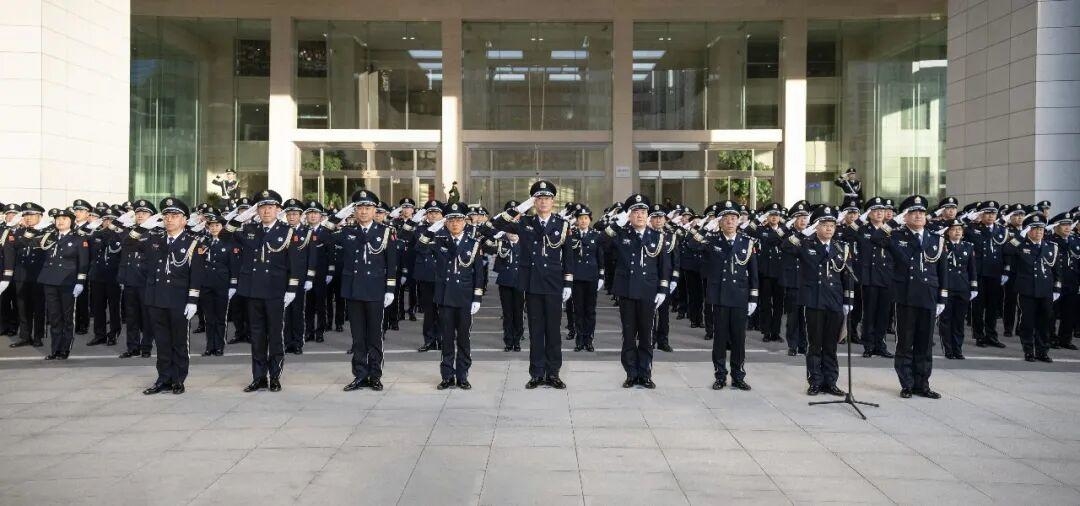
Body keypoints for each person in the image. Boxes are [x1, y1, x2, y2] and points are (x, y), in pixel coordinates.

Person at [491, 180, 573, 389]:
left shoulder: (562, 224)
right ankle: (536, 373)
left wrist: (568, 283)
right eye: (539, 198)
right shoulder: (525, 222)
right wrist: (520, 208)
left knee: (553, 331)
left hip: (553, 284)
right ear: (534, 202)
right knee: (536, 331)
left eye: (547, 198)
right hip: (533, 283)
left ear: (553, 201)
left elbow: (568, 256)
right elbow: (495, 225)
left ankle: (553, 373)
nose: (543, 202)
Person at [224, 190, 305, 393]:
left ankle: (275, 376)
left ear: (278, 210)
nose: (266, 211)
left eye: (270, 207)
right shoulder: (249, 229)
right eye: (262, 207)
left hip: (275, 291)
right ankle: (259, 377)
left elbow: (295, 264)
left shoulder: (288, 231)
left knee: (275, 335)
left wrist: (292, 288)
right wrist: (243, 216)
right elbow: (226, 233)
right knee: (257, 336)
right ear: (256, 210)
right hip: (253, 291)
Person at [873, 195, 947, 399]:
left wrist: (942, 297)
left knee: (925, 344)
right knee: (905, 342)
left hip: (928, 296)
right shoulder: (897, 236)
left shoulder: (936, 238)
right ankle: (907, 383)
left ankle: (922, 384)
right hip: (906, 296)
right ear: (905, 217)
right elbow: (876, 238)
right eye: (913, 213)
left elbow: (942, 271)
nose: (918, 216)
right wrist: (892, 222)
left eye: (921, 212)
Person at [324, 191, 398, 392]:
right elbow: (322, 234)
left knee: (374, 336)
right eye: (359, 208)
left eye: (367, 208)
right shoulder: (347, 231)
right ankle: (359, 374)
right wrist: (339, 215)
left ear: (375, 211)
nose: (363, 212)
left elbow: (392, 264)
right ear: (354, 211)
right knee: (357, 337)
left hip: (375, 290)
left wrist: (390, 289)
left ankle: (375, 375)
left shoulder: (386, 232)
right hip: (354, 289)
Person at [133, 198, 205, 394]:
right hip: (157, 299)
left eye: (174, 216)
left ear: (184, 220)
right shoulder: (154, 241)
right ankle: (163, 378)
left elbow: (196, 275)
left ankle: (178, 379)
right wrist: (144, 226)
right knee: (162, 342)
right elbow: (130, 245)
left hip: (179, 301)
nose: (169, 219)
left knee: (179, 342)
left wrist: (192, 300)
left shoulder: (193, 243)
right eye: (166, 216)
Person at [604, 194, 670, 388]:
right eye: (635, 212)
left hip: (649, 292)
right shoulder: (621, 235)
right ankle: (631, 373)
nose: (640, 215)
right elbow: (601, 242)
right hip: (627, 291)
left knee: (647, 335)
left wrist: (663, 289)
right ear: (629, 215)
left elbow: (664, 266)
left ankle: (645, 373)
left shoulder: (657, 237)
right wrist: (618, 222)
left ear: (648, 215)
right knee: (629, 334)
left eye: (643, 211)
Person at [689, 200, 756, 391]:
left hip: (739, 296)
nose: (730, 221)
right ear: (719, 221)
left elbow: (754, 272)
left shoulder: (747, 242)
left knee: (738, 340)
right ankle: (720, 376)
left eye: (733, 218)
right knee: (719, 339)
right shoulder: (712, 240)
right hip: (719, 296)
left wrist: (753, 297)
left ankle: (738, 376)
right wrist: (705, 227)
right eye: (726, 218)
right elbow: (692, 245)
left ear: (738, 221)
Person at [416, 202, 483, 389]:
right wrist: (432, 229)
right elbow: (420, 248)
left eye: (458, 220)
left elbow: (479, 273)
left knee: (463, 339)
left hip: (464, 297)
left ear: (465, 222)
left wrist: (477, 297)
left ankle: (462, 375)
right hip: (445, 297)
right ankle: (447, 375)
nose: (455, 223)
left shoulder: (473, 243)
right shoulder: (439, 241)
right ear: (446, 222)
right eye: (451, 220)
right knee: (446, 338)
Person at [787, 205, 852, 396]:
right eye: (824, 225)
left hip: (834, 300)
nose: (829, 228)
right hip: (814, 300)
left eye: (832, 225)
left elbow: (847, 276)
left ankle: (830, 382)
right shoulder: (807, 244)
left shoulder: (841, 247)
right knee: (815, 344)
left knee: (831, 345)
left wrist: (848, 301)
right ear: (816, 227)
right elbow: (786, 246)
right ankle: (815, 381)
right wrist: (805, 232)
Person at [24, 208, 89, 360]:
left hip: (68, 282)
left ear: (71, 221)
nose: (60, 221)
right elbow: (26, 243)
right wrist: (30, 230)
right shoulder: (49, 237)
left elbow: (83, 263)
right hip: (50, 281)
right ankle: (55, 349)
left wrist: (80, 282)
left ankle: (64, 349)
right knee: (54, 317)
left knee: (67, 317)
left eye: (64, 219)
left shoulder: (79, 239)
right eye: (58, 219)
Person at [1003, 215, 1062, 362]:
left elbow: (1057, 270)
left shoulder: (1051, 246)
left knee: (1045, 321)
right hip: (1027, 289)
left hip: (1046, 290)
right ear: (1028, 230)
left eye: (1041, 229)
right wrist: (1020, 235)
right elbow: (1007, 250)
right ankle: (1029, 350)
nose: (1038, 232)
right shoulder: (1021, 245)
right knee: (1028, 322)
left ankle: (1042, 351)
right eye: (1035, 229)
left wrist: (1057, 288)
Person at [115, 200, 160, 358]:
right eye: (138, 213)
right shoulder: (130, 231)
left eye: (144, 213)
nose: (140, 215)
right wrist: (122, 277)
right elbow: (124, 252)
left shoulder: (156, 232)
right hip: (130, 280)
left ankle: (146, 346)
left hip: (146, 281)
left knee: (147, 316)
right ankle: (132, 347)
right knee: (131, 316)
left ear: (152, 216)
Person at [965, 201, 1008, 348]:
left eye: (993, 213)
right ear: (981, 214)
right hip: (979, 272)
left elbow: (1005, 252)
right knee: (978, 306)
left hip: (995, 272)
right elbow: (959, 229)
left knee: (993, 306)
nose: (990, 216)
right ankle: (979, 336)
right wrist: (970, 219)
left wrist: (1005, 270)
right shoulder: (973, 229)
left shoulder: (1002, 230)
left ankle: (991, 335)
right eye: (987, 213)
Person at [856, 197, 895, 359]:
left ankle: (880, 344)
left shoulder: (892, 230)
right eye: (875, 210)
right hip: (870, 277)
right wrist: (860, 218)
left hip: (886, 276)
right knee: (869, 313)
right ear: (869, 213)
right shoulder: (862, 230)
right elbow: (848, 233)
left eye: (882, 210)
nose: (879, 213)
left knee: (884, 314)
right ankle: (869, 345)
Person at [198, 209, 238, 356]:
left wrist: (233, 285)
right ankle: (210, 346)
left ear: (222, 227)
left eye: (217, 225)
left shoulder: (229, 243)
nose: (214, 228)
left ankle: (219, 346)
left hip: (222, 284)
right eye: (211, 225)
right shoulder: (204, 242)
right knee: (209, 317)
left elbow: (233, 265)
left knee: (220, 317)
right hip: (206, 284)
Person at [8, 202, 48, 348]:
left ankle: (38, 336)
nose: (28, 218)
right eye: (25, 215)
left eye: (31, 215)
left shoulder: (47, 232)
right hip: (21, 275)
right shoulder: (19, 232)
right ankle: (25, 336)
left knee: (38, 307)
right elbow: (14, 247)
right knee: (22, 308)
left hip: (38, 275)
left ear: (40, 216)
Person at [280, 199, 316, 355]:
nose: (291, 217)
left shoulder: (308, 232)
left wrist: (310, 278)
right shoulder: (282, 231)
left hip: (300, 278)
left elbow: (312, 257)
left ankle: (297, 342)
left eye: (294, 214)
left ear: (301, 215)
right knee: (285, 311)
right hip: (283, 277)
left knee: (297, 311)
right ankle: (287, 341)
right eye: (289, 214)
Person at [938, 219, 977, 360]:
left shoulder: (968, 246)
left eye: (960, 229)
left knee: (959, 321)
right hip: (947, 287)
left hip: (962, 287)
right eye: (954, 229)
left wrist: (973, 286)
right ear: (948, 232)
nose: (957, 232)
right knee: (946, 320)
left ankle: (958, 349)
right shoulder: (942, 245)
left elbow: (972, 268)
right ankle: (948, 349)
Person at [569, 204, 604, 352]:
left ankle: (589, 340)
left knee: (590, 310)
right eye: (580, 218)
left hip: (591, 277)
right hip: (577, 277)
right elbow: (568, 257)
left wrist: (601, 275)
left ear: (590, 220)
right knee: (578, 310)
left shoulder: (596, 235)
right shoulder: (572, 235)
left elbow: (600, 256)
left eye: (586, 218)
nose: (583, 221)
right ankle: (579, 340)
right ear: (577, 220)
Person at [86, 206, 122, 346]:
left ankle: (113, 333)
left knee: (114, 307)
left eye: (112, 220)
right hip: (97, 276)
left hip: (113, 277)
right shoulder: (96, 234)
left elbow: (115, 248)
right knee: (98, 307)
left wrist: (112, 231)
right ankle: (99, 334)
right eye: (106, 219)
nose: (108, 222)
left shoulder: (121, 235)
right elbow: (92, 249)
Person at [491, 201, 525, 352]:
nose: (512, 234)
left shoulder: (524, 244)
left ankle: (517, 340)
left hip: (519, 281)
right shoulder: (502, 243)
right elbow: (487, 240)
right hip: (505, 281)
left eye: (514, 232)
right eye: (509, 232)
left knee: (518, 312)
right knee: (507, 313)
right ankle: (508, 341)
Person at [412, 200, 445, 352]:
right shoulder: (420, 229)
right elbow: (421, 248)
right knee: (429, 310)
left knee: (444, 310)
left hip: (443, 275)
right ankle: (429, 340)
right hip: (426, 275)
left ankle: (443, 339)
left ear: (442, 215)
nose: (433, 215)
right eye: (430, 212)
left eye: (436, 213)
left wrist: (432, 245)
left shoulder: (447, 229)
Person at [753, 203, 786, 344]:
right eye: (771, 215)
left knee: (778, 305)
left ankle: (776, 332)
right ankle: (766, 332)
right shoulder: (762, 230)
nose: (774, 217)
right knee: (766, 304)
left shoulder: (785, 230)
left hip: (780, 272)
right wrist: (759, 219)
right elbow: (766, 239)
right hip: (766, 272)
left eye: (776, 215)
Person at [780, 201, 810, 356]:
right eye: (799, 217)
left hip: (807, 280)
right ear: (793, 219)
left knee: (806, 316)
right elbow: (785, 246)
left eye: (805, 217)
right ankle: (793, 345)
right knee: (793, 316)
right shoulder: (787, 234)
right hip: (793, 280)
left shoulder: (812, 233)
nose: (803, 220)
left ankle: (804, 345)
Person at [303, 201, 332, 342]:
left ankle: (320, 331)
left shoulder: (325, 232)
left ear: (321, 216)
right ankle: (308, 331)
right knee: (308, 305)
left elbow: (330, 253)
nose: (313, 216)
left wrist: (330, 272)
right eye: (310, 213)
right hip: (305, 273)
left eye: (316, 213)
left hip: (321, 273)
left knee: (321, 304)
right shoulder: (303, 231)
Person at [1048, 212, 1078, 350]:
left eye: (1069, 225)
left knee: (1069, 312)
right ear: (1056, 226)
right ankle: (1051, 338)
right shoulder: (1049, 241)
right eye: (1064, 225)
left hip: (1072, 282)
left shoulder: (1074, 241)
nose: (1067, 227)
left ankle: (1065, 339)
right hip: (1055, 282)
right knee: (1052, 313)